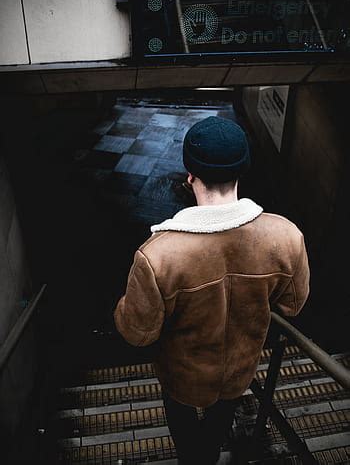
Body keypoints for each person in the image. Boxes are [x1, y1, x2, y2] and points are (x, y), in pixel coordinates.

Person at [114, 115, 310, 464]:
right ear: (242, 171)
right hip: (239, 369)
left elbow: (137, 333)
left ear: (190, 176)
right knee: (222, 416)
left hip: (181, 376)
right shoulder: (286, 237)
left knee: (183, 424)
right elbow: (292, 306)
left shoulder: (157, 255)